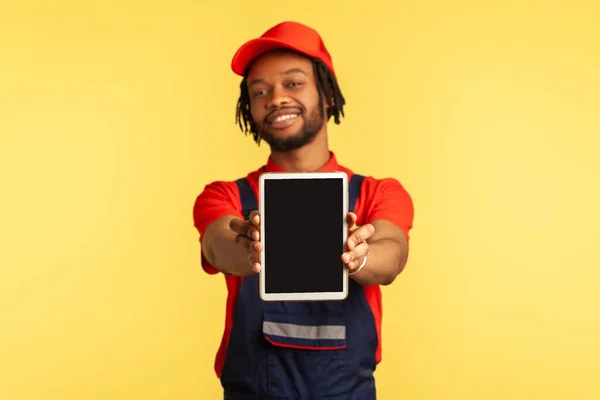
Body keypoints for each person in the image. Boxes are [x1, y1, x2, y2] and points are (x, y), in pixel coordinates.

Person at [193, 21, 414, 400]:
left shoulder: (377, 193)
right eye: (259, 91)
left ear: (327, 94)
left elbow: (392, 253)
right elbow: (218, 243)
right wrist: (249, 250)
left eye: (293, 83)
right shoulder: (225, 196)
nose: (275, 98)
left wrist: (360, 257)